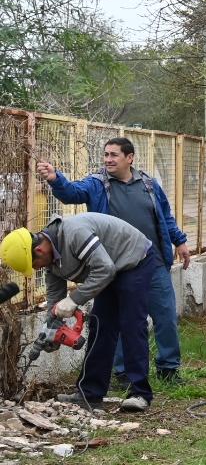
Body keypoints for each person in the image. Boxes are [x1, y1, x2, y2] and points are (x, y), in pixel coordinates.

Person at [37, 138, 191, 391]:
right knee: (118, 319)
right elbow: (72, 193)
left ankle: (168, 368)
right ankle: (124, 372)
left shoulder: (148, 184)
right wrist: (56, 179)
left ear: (130, 158)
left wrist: (179, 241)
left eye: (114, 155)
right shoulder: (97, 184)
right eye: (106, 154)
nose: (108, 159)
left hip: (152, 261)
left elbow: (164, 215)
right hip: (112, 266)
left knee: (165, 316)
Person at [0, 213, 160, 411]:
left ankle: (140, 394)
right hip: (108, 268)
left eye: (34, 264)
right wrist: (52, 328)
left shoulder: (74, 234)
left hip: (133, 260)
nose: (37, 268)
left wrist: (74, 299)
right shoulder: (50, 260)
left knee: (131, 324)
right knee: (100, 327)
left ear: (39, 250)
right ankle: (90, 394)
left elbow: (105, 270)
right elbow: (55, 298)